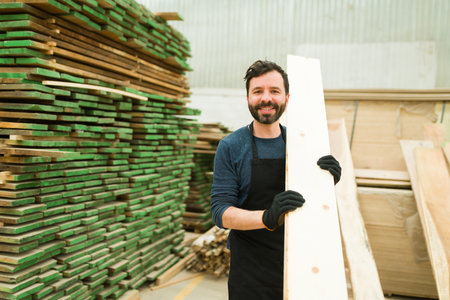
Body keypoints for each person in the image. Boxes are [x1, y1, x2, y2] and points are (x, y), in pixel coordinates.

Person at [210, 59, 342, 300]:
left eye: (274, 91)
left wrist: (325, 184)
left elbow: (311, 206)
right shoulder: (231, 146)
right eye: (257, 91)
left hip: (300, 262)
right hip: (250, 270)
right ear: (248, 98)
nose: (266, 98)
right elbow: (221, 212)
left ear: (287, 99)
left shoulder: (302, 145)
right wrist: (268, 217)